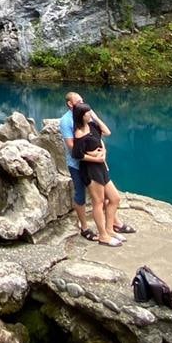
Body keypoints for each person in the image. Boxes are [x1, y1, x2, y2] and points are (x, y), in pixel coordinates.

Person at [60, 92, 136, 240]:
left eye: (83, 100)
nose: (83, 102)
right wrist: (95, 156)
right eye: (79, 101)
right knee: (82, 196)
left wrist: (103, 152)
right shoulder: (67, 122)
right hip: (78, 165)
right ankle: (85, 227)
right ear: (70, 104)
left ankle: (113, 224)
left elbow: (100, 137)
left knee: (111, 197)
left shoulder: (90, 121)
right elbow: (73, 148)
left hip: (97, 164)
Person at [72, 102, 124, 247]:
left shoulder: (93, 126)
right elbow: (77, 155)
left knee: (114, 198)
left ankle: (109, 229)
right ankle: (103, 236)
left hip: (101, 167)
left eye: (90, 112)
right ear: (81, 116)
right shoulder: (79, 133)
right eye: (87, 113)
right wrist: (95, 158)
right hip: (90, 170)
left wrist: (103, 154)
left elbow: (106, 133)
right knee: (99, 202)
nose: (90, 114)